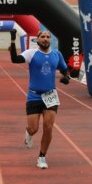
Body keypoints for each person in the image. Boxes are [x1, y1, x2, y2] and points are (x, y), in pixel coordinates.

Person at [9, 29, 70, 169]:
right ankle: (28, 133)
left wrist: (67, 77)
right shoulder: (32, 53)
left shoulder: (56, 54)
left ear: (51, 40)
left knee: (48, 127)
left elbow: (65, 69)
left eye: (48, 37)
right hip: (34, 95)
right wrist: (13, 41)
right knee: (33, 129)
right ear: (37, 40)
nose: (45, 39)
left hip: (50, 95)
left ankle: (42, 156)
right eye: (42, 36)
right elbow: (15, 59)